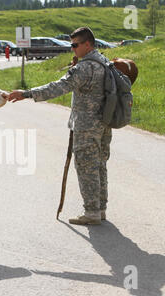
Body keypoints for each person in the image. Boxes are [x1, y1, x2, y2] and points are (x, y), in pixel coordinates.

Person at [7, 27, 111, 226]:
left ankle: (91, 212)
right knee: (99, 165)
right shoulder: (104, 62)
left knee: (86, 167)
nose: (72, 49)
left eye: (75, 45)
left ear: (87, 44)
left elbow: (56, 88)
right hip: (104, 123)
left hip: (86, 126)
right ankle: (100, 208)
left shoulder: (84, 68)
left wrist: (26, 93)